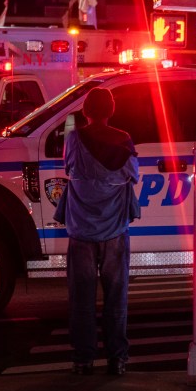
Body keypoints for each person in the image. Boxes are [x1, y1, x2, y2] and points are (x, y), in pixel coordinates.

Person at [59, 87, 139, 376]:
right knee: (116, 297)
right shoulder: (124, 139)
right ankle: (117, 358)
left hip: (81, 228)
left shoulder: (73, 139)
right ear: (111, 110)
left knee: (81, 298)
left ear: (86, 111)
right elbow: (133, 174)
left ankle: (83, 358)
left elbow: (69, 168)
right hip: (115, 228)